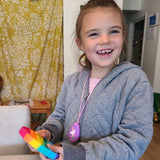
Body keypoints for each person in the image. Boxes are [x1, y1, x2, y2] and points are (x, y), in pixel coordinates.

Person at [29, 0, 153, 159]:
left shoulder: (134, 81)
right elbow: (59, 117)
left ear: (123, 36)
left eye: (114, 31)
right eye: (94, 34)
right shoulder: (71, 82)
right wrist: (48, 131)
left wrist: (79, 154)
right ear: (80, 43)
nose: (105, 40)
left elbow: (133, 140)